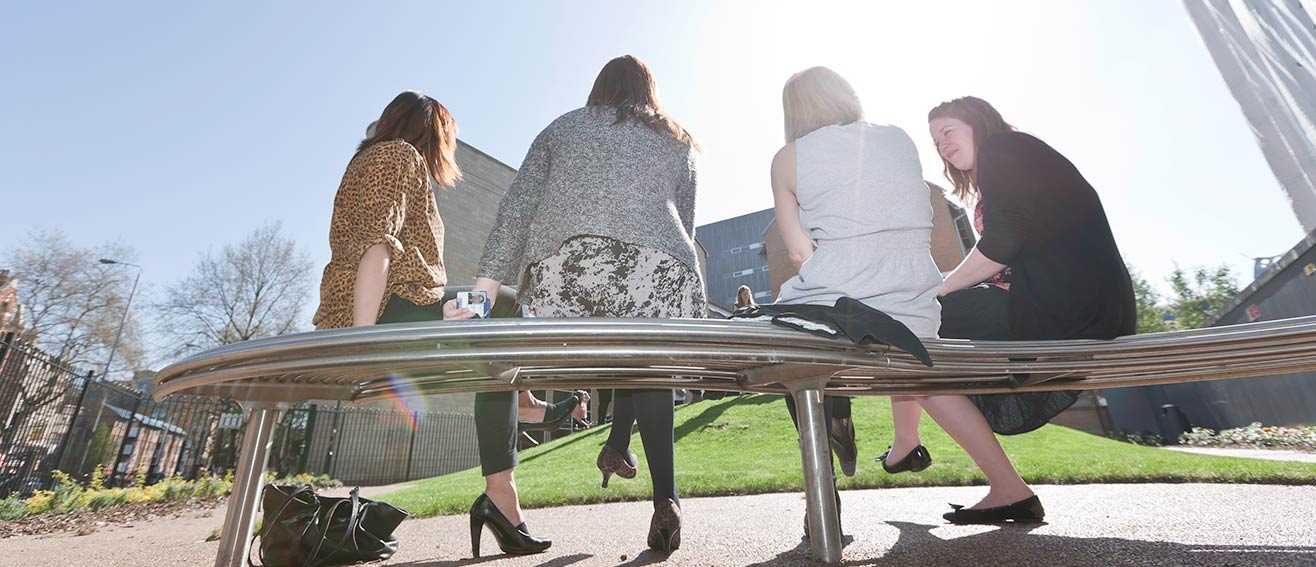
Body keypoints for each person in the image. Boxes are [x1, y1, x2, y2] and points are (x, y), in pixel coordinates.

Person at [446, 55, 703, 553]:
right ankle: (665, 497)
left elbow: (515, 211)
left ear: (599, 87)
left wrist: (482, 296)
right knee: (647, 358)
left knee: (622, 342)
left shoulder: (561, 129)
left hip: (569, 279)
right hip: (658, 280)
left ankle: (617, 444)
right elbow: (686, 228)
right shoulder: (678, 139)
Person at [310, 92, 551, 555]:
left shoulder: (369, 160)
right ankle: (510, 446)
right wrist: (362, 341)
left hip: (396, 305)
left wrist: (432, 309)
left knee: (495, 332)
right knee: (507, 305)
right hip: (384, 312)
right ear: (432, 132)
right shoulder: (398, 156)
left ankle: (513, 413)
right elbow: (376, 247)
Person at [923, 96, 1136, 523]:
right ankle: (922, 450)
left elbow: (1002, 245)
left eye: (947, 131)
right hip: (1073, 304)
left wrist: (937, 289)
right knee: (915, 340)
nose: (942, 146)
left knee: (908, 327)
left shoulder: (1004, 149)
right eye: (935, 141)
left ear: (977, 123)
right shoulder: (1012, 160)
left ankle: (984, 479)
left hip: (1067, 308)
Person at [769, 67, 942, 528]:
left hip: (848, 297)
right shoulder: (898, 138)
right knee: (823, 317)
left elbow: (799, 251)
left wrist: (838, 268)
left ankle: (824, 476)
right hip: (918, 305)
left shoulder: (789, 157)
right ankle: (840, 419)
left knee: (788, 339)